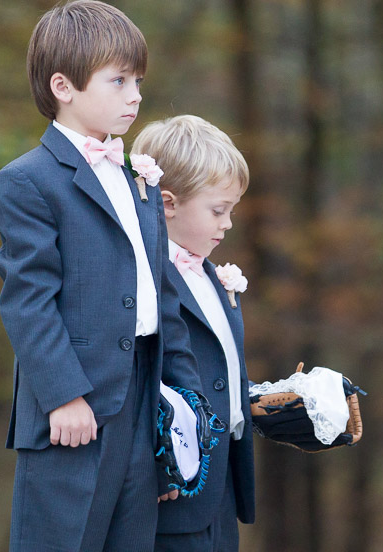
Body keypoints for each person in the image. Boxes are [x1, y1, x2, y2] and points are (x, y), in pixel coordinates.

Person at [0, 0, 202, 552]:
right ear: (63, 86)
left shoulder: (142, 182)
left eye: (138, 81)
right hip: (75, 413)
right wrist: (63, 396)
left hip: (142, 401)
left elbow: (165, 299)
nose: (135, 95)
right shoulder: (28, 183)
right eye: (119, 80)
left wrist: (186, 406)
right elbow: (28, 301)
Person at [132, 115, 255, 552]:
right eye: (218, 211)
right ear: (167, 203)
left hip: (222, 486)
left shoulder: (208, 275)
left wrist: (265, 401)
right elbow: (142, 378)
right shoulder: (145, 277)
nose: (228, 224)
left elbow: (217, 373)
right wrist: (162, 463)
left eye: (232, 211)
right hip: (176, 486)